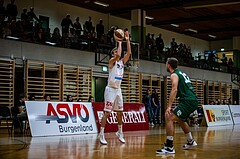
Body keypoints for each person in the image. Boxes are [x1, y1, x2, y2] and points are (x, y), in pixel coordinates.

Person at [156, 57, 198, 154]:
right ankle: (190, 141)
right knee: (180, 119)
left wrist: (169, 106)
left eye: (166, 63)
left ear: (169, 65)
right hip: (191, 100)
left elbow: (174, 89)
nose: (166, 65)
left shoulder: (174, 75)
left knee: (169, 117)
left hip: (188, 101)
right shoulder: (181, 73)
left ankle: (169, 147)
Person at [99, 29, 131, 145]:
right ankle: (101, 134)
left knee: (120, 112)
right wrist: (119, 41)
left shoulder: (122, 62)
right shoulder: (112, 61)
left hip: (118, 90)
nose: (119, 53)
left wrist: (127, 40)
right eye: (116, 52)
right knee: (107, 113)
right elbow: (118, 54)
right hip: (110, 90)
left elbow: (129, 54)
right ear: (113, 53)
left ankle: (120, 132)